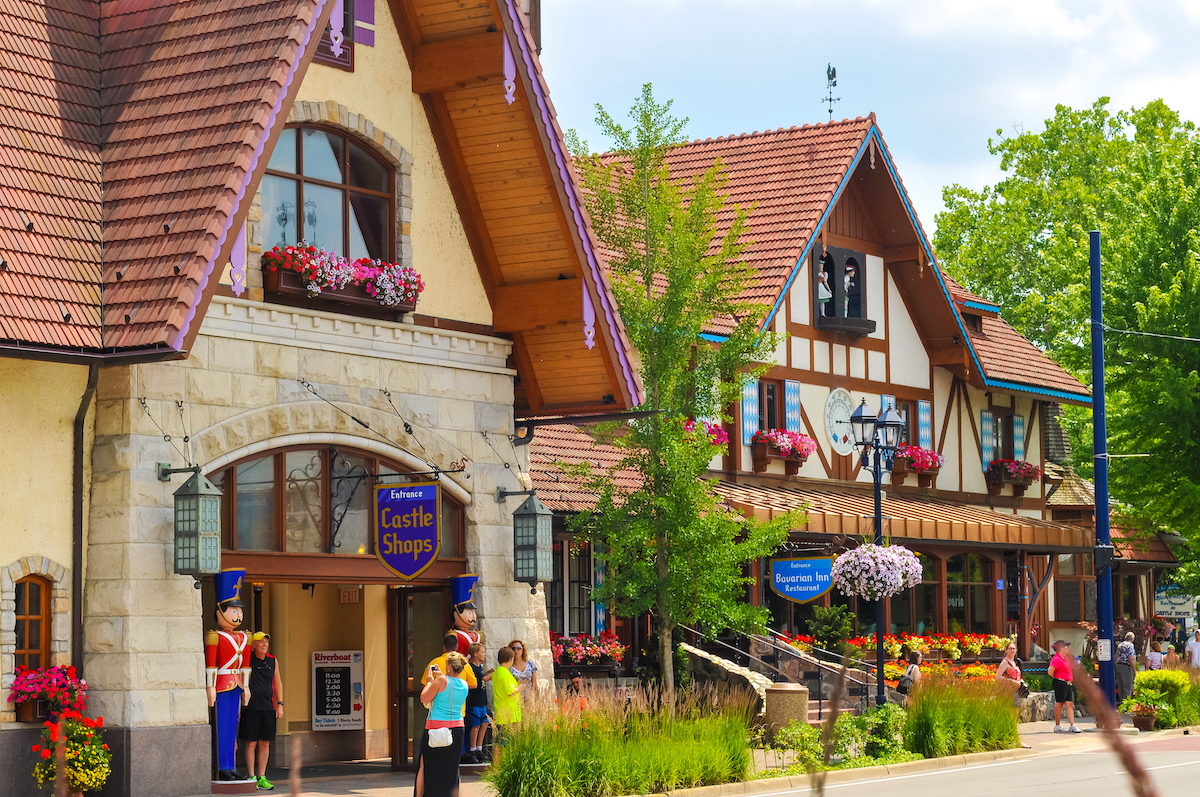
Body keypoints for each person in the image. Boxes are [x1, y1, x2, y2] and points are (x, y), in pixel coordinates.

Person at [204, 568, 252, 781]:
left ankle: (231, 765)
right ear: (219, 612)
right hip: (222, 685)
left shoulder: (245, 637)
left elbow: (246, 665)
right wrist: (210, 687)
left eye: (239, 611)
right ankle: (222, 766)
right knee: (222, 726)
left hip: (238, 684)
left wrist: (247, 686)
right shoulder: (215, 637)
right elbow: (211, 666)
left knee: (233, 726)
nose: (238, 615)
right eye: (233, 610)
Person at [417, 652, 470, 797]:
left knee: (425, 765)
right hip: (457, 728)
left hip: (436, 728)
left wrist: (429, 681)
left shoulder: (440, 681)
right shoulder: (464, 684)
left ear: (448, 666)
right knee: (452, 767)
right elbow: (450, 688)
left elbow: (424, 697)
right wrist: (442, 675)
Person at [239, 632, 283, 791]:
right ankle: (251, 776)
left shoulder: (273, 661)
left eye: (266, 642)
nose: (264, 644)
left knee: (265, 743)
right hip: (250, 707)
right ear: (254, 645)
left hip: (268, 707)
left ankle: (262, 776)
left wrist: (280, 704)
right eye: (260, 642)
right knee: (251, 743)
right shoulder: (247, 659)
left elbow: (278, 684)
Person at [491, 646, 523, 767]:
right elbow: (511, 692)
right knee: (504, 742)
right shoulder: (504, 673)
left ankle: (497, 766)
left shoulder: (498, 672)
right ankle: (499, 766)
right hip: (508, 714)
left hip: (503, 712)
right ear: (511, 659)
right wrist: (520, 687)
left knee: (501, 741)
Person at [464, 643, 492, 764]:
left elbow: (483, 675)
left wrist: (489, 671)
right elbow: (484, 679)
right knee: (475, 726)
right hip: (474, 701)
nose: (484, 654)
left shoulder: (479, 667)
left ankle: (479, 748)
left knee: (484, 723)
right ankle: (472, 749)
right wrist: (497, 672)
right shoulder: (471, 667)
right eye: (482, 652)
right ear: (475, 654)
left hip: (482, 701)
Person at [1048, 640, 1082, 733]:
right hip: (1060, 682)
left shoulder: (1065, 658)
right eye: (1065, 646)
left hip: (1068, 683)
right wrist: (1058, 677)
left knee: (1069, 703)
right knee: (1060, 703)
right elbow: (1050, 671)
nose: (1067, 648)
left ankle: (1072, 725)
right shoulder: (1056, 658)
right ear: (1060, 648)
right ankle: (1057, 725)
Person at [1116, 631, 1137, 701]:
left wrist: (1117, 665)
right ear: (1132, 639)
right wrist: (1134, 670)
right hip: (1126, 666)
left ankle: (1122, 702)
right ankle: (1126, 704)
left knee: (1121, 685)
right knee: (1127, 686)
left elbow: (1115, 657)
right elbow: (1130, 658)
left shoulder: (1120, 645)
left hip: (1119, 666)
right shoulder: (1130, 645)